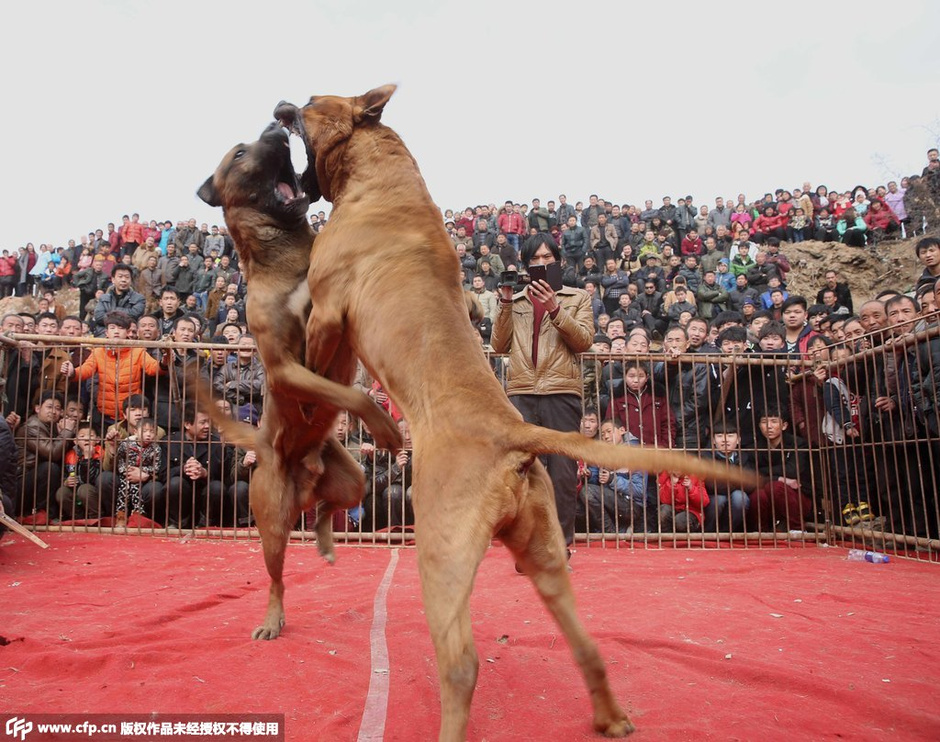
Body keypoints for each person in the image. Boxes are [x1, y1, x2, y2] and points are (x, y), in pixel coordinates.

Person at [491, 232, 594, 555]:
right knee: (521, 474)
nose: (541, 264)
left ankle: (559, 545)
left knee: (562, 474)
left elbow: (584, 341)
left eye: (547, 258)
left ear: (558, 262)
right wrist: (506, 304)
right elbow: (498, 345)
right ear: (525, 265)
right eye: (535, 260)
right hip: (521, 392)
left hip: (562, 391)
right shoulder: (517, 300)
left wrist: (555, 309)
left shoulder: (577, 298)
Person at [61, 311, 166, 431]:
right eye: (112, 328)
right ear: (106, 332)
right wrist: (73, 372)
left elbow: (153, 368)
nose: (116, 331)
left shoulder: (138, 351)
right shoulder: (98, 351)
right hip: (104, 412)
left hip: (130, 414)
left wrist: (164, 362)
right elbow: (86, 370)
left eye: (121, 328)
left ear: (127, 332)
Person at [578, 419, 647, 534]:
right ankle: (614, 532)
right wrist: (589, 474)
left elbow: (640, 490)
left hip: (630, 505)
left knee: (587, 491)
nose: (605, 436)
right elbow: (595, 479)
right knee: (575, 507)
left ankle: (610, 533)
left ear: (622, 430)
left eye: (609, 431)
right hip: (609, 501)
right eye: (603, 433)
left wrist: (612, 480)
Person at [18, 391, 76, 518]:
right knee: (49, 468)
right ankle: (44, 513)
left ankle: (50, 514)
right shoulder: (31, 427)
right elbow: (53, 454)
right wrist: (66, 432)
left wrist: (63, 433)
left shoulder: (52, 427)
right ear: (38, 408)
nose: (54, 412)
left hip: (37, 479)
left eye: (58, 408)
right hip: (23, 482)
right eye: (49, 407)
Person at [115, 417, 163, 526]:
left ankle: (138, 516)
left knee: (138, 492)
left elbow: (156, 467)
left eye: (152, 432)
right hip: (127, 474)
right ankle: (121, 515)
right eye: (144, 431)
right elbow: (120, 459)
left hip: (145, 477)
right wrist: (125, 471)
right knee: (124, 490)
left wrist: (143, 472)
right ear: (135, 431)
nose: (148, 435)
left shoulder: (156, 448)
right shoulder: (126, 444)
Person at [55, 422, 104, 521]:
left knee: (84, 489)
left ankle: (96, 518)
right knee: (62, 492)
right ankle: (77, 518)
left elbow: (91, 479)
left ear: (98, 439)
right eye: (82, 436)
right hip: (75, 492)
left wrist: (87, 459)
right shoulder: (70, 455)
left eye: (90, 436)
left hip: (92, 492)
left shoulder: (101, 454)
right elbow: (63, 474)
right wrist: (66, 481)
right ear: (75, 441)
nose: (86, 439)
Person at [91, 264, 145, 337]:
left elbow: (134, 315)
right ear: (113, 279)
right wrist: (122, 314)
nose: (123, 280)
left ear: (131, 280)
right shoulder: (103, 298)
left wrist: (111, 312)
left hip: (128, 335)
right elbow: (99, 317)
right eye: (120, 277)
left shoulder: (139, 298)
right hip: (104, 335)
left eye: (127, 277)